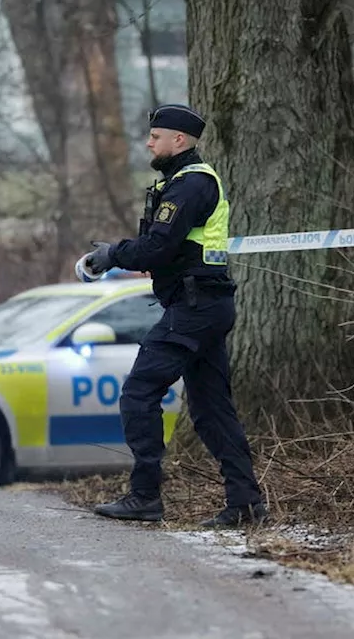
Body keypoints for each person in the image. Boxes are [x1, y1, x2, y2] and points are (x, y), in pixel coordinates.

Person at [80, 103, 267, 528]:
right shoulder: (184, 182)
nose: (149, 142)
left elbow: (158, 247)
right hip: (203, 304)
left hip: (195, 307)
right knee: (211, 410)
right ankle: (245, 503)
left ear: (178, 140)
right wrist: (128, 254)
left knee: (138, 393)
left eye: (155, 136)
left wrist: (112, 254)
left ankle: (145, 496)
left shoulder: (191, 184)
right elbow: (170, 250)